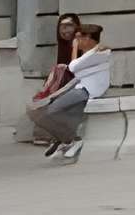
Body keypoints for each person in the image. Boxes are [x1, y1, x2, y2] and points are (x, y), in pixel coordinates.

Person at [26, 23, 109, 161]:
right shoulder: (93, 53)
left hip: (87, 90)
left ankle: (71, 140)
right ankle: (63, 140)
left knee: (50, 112)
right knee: (48, 112)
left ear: (87, 38)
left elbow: (73, 66)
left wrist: (75, 48)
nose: (75, 41)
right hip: (79, 88)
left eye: (78, 38)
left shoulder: (99, 53)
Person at [14, 14, 84, 143]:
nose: (65, 30)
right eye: (62, 26)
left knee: (49, 101)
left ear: (76, 27)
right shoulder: (64, 44)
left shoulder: (76, 41)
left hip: (75, 81)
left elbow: (73, 66)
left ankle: (48, 134)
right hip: (67, 81)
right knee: (43, 101)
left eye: (69, 26)